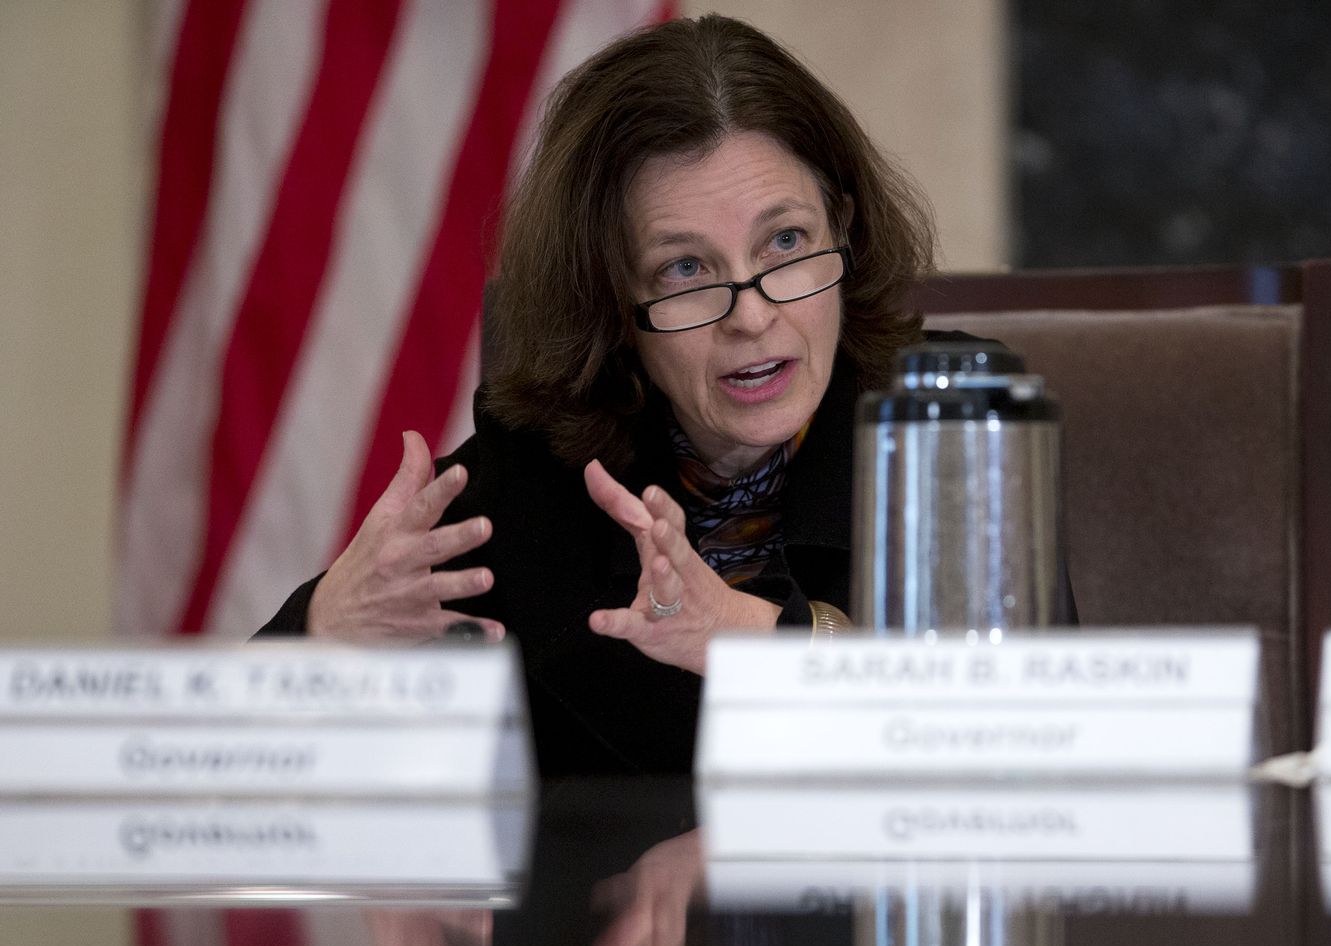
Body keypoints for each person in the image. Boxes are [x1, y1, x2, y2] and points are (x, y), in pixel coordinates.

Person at [261, 14, 979, 774]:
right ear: (611, 301)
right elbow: (222, 773)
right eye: (685, 270)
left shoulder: (961, 424)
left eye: (787, 242)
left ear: (843, 224)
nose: (753, 315)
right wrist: (325, 631)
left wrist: (742, 633)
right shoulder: (531, 480)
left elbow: (1015, 754)